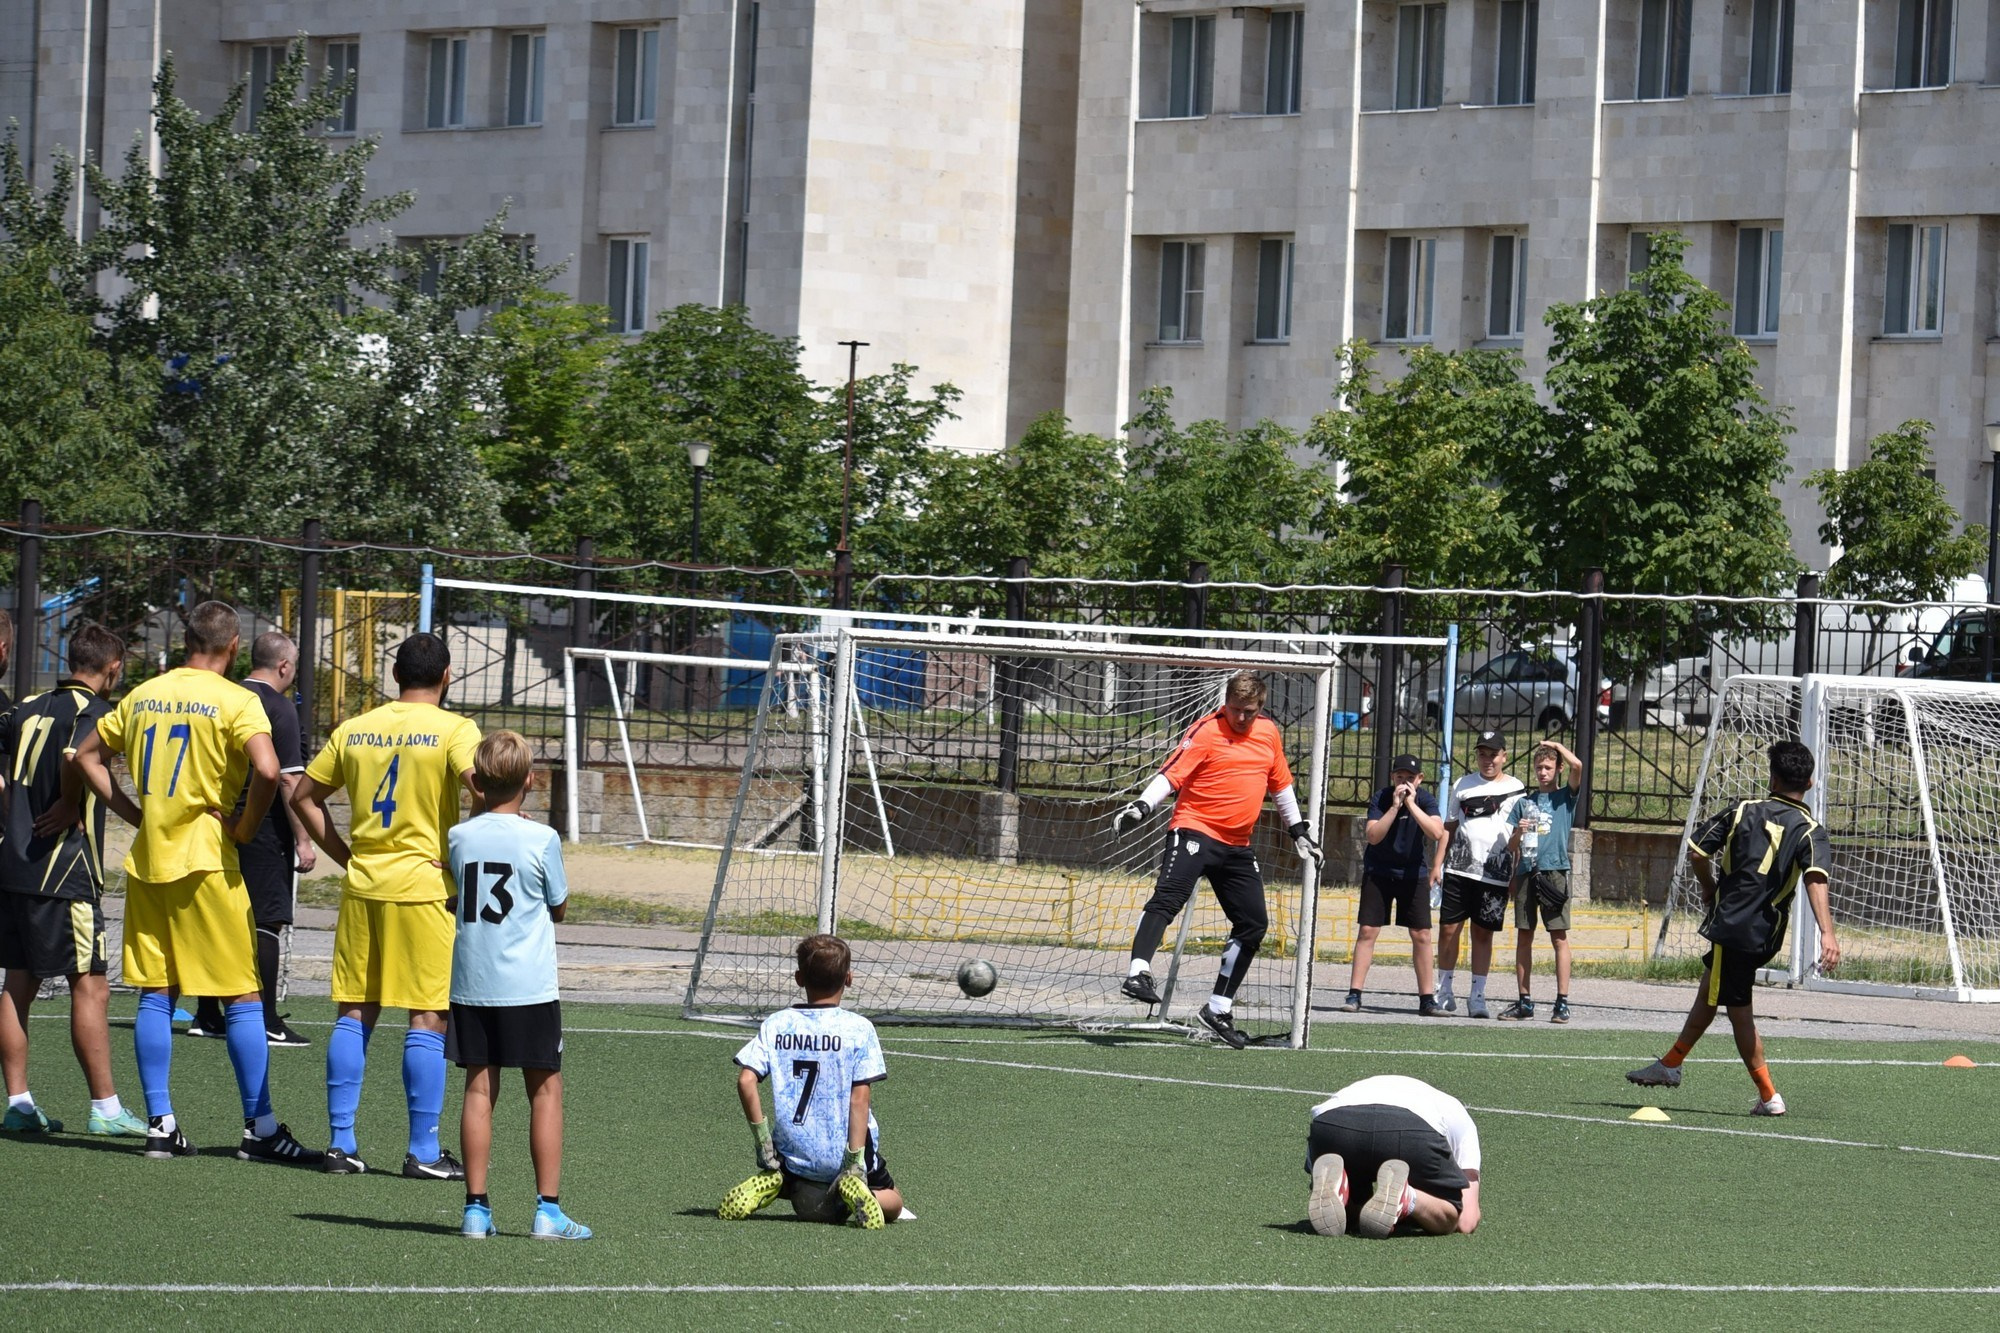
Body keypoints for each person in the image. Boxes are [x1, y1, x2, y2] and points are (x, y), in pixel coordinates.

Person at [71, 601, 319, 1164]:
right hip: (207, 861)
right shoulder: (236, 699)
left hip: (149, 861)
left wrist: (137, 815)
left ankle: (160, 1125)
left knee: (157, 993)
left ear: (186, 643)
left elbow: (86, 756)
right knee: (243, 995)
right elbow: (267, 769)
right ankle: (260, 1128)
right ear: (233, 647)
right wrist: (246, 825)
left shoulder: (143, 694)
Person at [292, 632, 481, 1177]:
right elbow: (482, 787)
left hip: (364, 885)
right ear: (447, 676)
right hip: (424, 889)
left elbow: (303, 796)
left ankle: (340, 1144)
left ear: (395, 676)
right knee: (427, 1015)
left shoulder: (354, 729)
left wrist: (345, 855)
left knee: (354, 1011)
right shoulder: (455, 729)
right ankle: (423, 1151)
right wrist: (463, 851)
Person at [1109, 671, 1322, 1049]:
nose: (1240, 717)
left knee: (1254, 923)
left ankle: (1218, 1008)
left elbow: (1281, 785)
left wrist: (1298, 831)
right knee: (1168, 898)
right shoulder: (1207, 730)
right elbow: (1171, 775)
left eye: (1249, 711)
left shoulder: (1268, 733)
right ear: (1226, 703)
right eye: (1235, 709)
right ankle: (1138, 972)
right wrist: (1141, 806)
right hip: (1194, 831)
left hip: (1237, 845)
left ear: (1261, 707)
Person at [1628, 740, 1840, 1115]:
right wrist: (1827, 932)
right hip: (1765, 931)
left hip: (1734, 925)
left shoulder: (1743, 810)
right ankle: (1670, 1063)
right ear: (1809, 783)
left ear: (1772, 779)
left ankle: (1769, 1096)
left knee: (1739, 1010)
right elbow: (1815, 878)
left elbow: (1697, 851)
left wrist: (1709, 887)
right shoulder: (1810, 829)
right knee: (1711, 990)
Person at [0, 624, 147, 1137]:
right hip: (63, 870)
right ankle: (106, 1108)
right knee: (91, 985)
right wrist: (69, 801)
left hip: (14, 862)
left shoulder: (26, 706)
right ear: (113, 667)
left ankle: (19, 1103)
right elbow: (73, 757)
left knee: (18, 983)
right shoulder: (96, 712)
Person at [445, 730, 589, 1241]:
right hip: (528, 985)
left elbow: (460, 893)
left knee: (478, 1088)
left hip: (472, 983)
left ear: (478, 782)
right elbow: (559, 906)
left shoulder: (459, 837)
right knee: (545, 1089)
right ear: (529, 780)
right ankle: (547, 1210)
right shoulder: (542, 838)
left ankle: (475, 1210)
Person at [720, 933, 905, 1229]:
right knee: (894, 1202)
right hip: (840, 1152)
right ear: (848, 978)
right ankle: (856, 1188)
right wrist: (854, 1162)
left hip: (792, 1153)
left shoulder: (777, 1024)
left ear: (799, 978)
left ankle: (776, 1180)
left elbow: (745, 1081)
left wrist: (764, 1143)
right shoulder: (859, 1029)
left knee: (787, 1169)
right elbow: (859, 1100)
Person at [191, 631, 317, 1047]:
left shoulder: (224, 695)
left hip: (218, 821)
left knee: (220, 917)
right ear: (284, 666)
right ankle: (266, 1019)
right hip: (262, 825)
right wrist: (303, 839)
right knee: (266, 921)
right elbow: (288, 778)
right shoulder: (279, 707)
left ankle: (207, 1013)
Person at [1304, 1073, 1482, 1238]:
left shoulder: (1361, 1088)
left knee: (1356, 1208)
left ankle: (1341, 1191)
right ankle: (1406, 1197)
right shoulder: (1456, 1112)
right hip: (1412, 1128)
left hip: (1331, 1122)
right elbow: (1467, 1222)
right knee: (1449, 1216)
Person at [1432, 730, 1523, 1019]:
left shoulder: (1517, 789)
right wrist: (1437, 864)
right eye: (1482, 754)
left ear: (1504, 756)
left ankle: (1478, 996)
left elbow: (1520, 835)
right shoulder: (1462, 784)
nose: (1488, 760)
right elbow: (1449, 827)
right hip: (1459, 869)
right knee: (1449, 929)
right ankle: (1444, 992)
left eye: (1493, 754)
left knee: (1483, 934)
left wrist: (1515, 874)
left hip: (1495, 874)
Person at [1345, 754, 1444, 1016]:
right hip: (1379, 871)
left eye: (1410, 778)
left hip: (1413, 873)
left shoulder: (1425, 800)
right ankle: (1354, 994)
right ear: (1393, 777)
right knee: (1368, 930)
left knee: (1421, 934)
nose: (1404, 783)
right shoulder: (1381, 797)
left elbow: (1436, 832)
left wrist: (1411, 804)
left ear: (1419, 779)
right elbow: (1373, 836)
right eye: (1400, 777)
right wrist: (1394, 807)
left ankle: (1427, 999)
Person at [1497, 740, 1583, 1024]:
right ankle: (1525, 1001)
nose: (1543, 773)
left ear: (1558, 769)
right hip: (1526, 871)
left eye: (1548, 767)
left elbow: (1578, 765)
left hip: (1554, 871)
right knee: (1524, 935)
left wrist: (1555, 745)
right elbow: (1511, 847)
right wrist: (1519, 833)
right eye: (1538, 768)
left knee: (1558, 936)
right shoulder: (1525, 802)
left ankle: (1562, 1002)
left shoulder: (1565, 797)